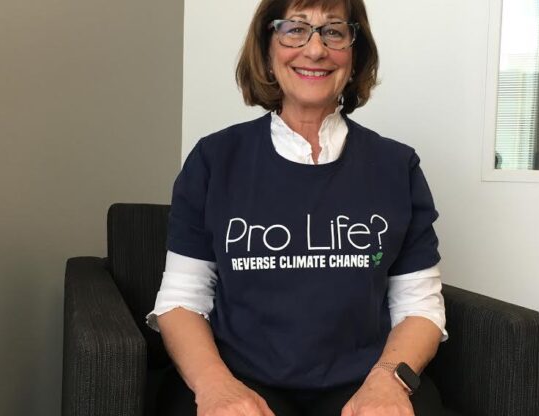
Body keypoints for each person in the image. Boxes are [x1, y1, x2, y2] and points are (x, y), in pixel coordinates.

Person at [146, 1, 447, 415]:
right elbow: (181, 300)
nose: (315, 49)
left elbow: (420, 307)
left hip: (365, 380)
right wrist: (216, 387)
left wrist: (386, 382)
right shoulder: (214, 160)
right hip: (238, 377)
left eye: (334, 31)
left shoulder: (397, 166)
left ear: (354, 54)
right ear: (267, 50)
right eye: (295, 29)